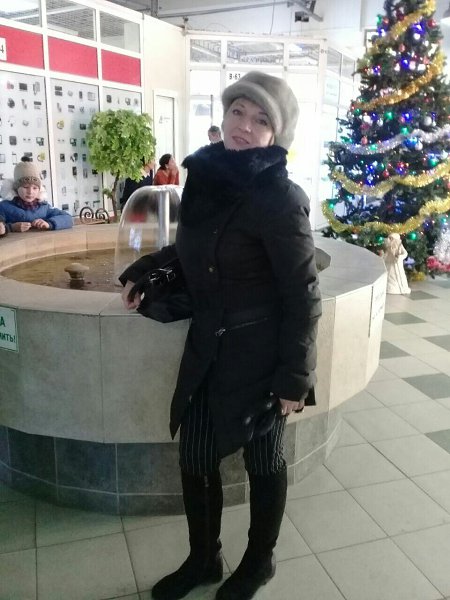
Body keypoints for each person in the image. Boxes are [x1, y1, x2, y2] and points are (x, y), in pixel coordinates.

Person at [120, 71, 321, 600]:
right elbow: (193, 251)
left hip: (261, 356)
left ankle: (259, 562)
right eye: (237, 112)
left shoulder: (281, 198)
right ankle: (203, 560)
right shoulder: (206, 179)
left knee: (263, 459)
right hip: (210, 345)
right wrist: (150, 274)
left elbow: (303, 293)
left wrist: (295, 377)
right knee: (195, 455)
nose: (244, 126)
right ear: (224, 115)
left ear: (276, 134)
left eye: (260, 120)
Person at [0, 158, 73, 232]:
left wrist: (49, 223)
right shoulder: (4, 207)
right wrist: (11, 227)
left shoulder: (44, 207)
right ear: (16, 188)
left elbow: (68, 218)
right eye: (25, 187)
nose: (30, 192)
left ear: (40, 189)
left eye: (35, 188)